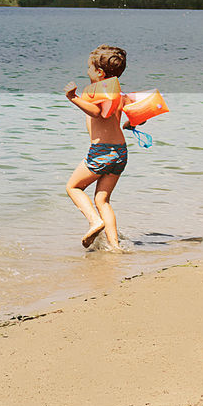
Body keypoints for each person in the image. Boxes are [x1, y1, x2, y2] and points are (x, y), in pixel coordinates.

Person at [63, 44, 130, 251]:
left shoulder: (96, 94)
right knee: (102, 200)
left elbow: (97, 113)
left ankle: (94, 221)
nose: (87, 71)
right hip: (120, 153)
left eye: (89, 68)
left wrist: (73, 98)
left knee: (73, 187)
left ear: (100, 73)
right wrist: (131, 125)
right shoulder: (118, 94)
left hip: (102, 151)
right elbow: (134, 116)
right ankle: (114, 246)